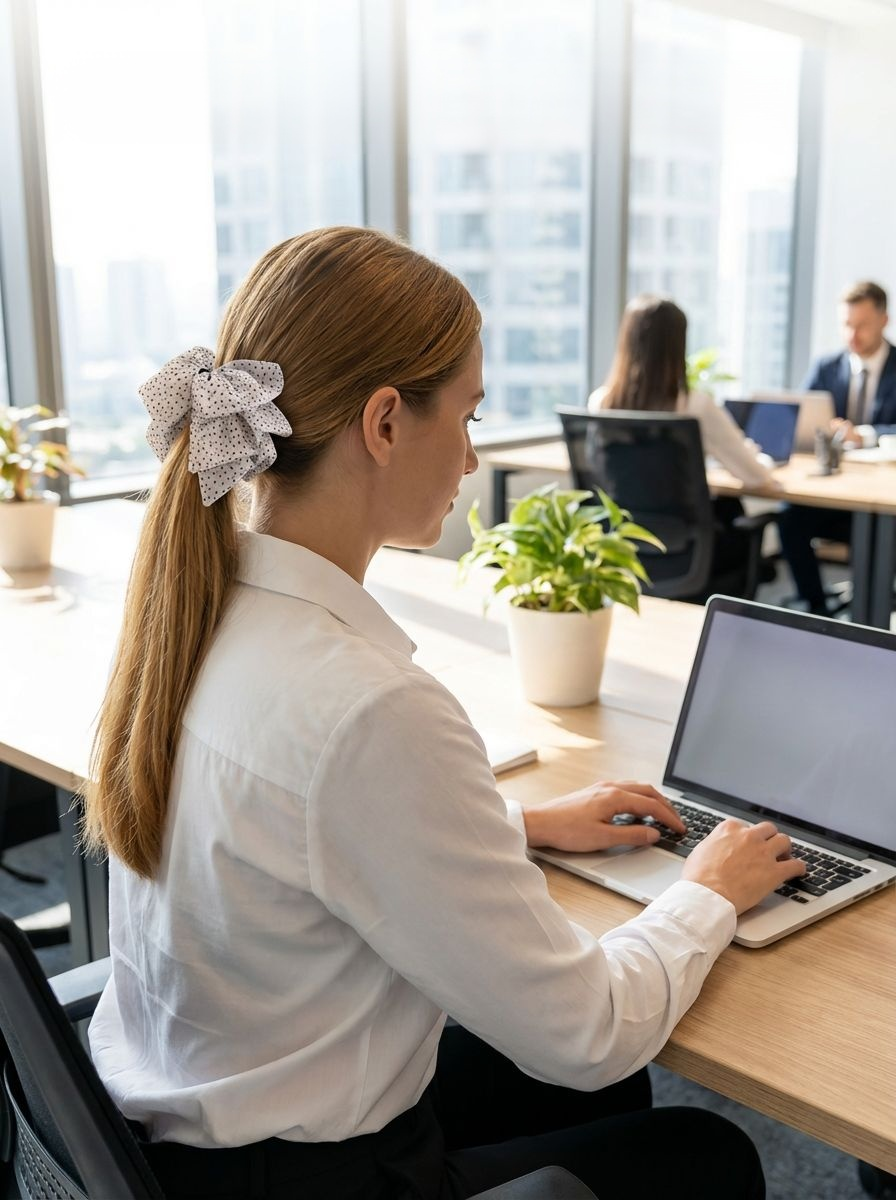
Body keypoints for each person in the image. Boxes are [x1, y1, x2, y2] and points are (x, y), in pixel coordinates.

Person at [84, 228, 804, 1200]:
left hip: (189, 1136)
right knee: (700, 1155)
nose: (469, 458)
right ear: (383, 423)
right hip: (317, 1180)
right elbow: (584, 1031)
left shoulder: (196, 615)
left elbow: (291, 832)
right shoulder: (366, 708)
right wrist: (707, 889)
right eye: (463, 416)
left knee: (608, 1097)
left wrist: (517, 824)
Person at [588, 294, 778, 591]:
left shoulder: (600, 403)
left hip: (624, 544)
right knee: (733, 511)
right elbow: (755, 476)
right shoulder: (696, 406)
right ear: (677, 346)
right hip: (688, 552)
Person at [779, 280, 896, 613]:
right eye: (847, 325)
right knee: (790, 522)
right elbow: (801, 415)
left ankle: (872, 614)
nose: (852, 336)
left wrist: (864, 433)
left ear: (884, 321)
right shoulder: (826, 366)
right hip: (834, 490)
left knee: (878, 537)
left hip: (882, 496)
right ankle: (817, 609)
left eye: (862, 326)